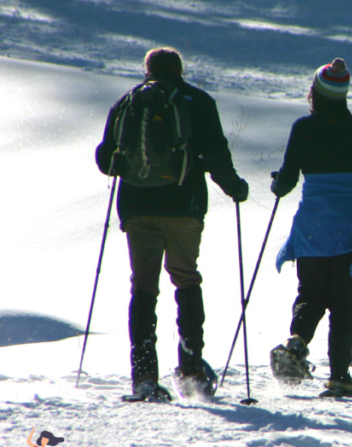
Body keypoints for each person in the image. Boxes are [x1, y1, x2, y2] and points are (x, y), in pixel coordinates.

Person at [95, 47, 249, 400]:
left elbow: (107, 159)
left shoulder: (127, 103)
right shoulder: (198, 101)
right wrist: (236, 188)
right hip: (184, 206)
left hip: (137, 209)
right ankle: (192, 368)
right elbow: (216, 156)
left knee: (144, 287)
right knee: (186, 278)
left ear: (147, 69)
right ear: (179, 70)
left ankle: (144, 376)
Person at [269, 57, 352, 397]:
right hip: (351, 230)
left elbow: (285, 184)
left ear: (315, 93)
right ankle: (340, 378)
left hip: (312, 231)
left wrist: (276, 184)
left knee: (311, 295)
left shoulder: (303, 128)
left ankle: (296, 344)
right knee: (344, 305)